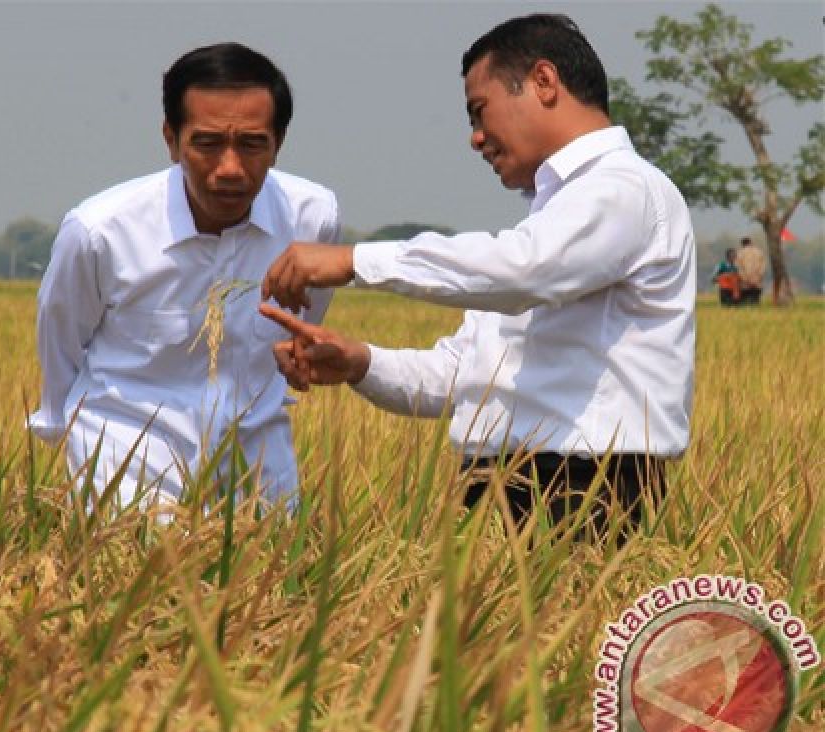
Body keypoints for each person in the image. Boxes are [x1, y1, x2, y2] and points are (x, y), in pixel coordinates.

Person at [260, 13, 695, 534]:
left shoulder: (624, 190)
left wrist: (356, 261)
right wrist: (359, 364)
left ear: (543, 81)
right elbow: (467, 376)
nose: (476, 137)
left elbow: (525, 270)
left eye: (479, 111)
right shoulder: (554, 216)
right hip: (506, 491)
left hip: (584, 494)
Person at [29, 42, 340, 509]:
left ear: (278, 145)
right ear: (171, 140)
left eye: (253, 144)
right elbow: (61, 345)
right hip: (126, 458)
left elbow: (299, 325)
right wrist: (64, 427)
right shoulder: (100, 231)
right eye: (208, 143)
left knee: (275, 578)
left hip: (258, 456)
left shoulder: (313, 218)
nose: (230, 168)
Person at [735, 236, 766, 305]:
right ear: (750, 243)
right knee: (755, 300)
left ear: (742, 244)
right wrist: (758, 277)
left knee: (745, 302)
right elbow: (763, 267)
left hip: (745, 283)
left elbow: (738, 268)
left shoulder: (740, 253)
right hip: (757, 281)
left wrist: (745, 278)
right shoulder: (759, 252)